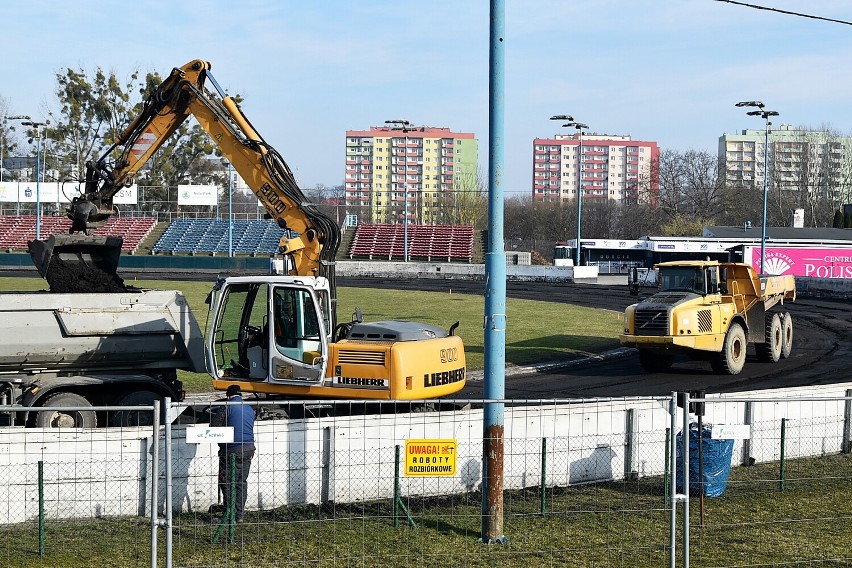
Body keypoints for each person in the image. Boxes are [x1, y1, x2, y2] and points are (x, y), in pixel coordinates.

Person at [216, 385, 256, 523]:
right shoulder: (250, 409)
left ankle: (229, 513)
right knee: (241, 482)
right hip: (249, 450)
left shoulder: (226, 407)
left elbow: (214, 428)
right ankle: (239, 515)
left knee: (226, 482)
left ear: (228, 396)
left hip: (230, 450)